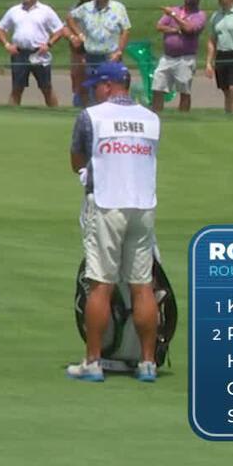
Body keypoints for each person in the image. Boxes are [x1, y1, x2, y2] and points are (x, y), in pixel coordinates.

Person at [66, 61, 161, 383]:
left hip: (107, 203)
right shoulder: (151, 119)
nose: (93, 92)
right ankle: (148, 363)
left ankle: (93, 362)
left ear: (108, 85)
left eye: (95, 86)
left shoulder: (91, 116)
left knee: (101, 284)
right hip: (143, 206)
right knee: (142, 284)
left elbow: (76, 161)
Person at [0, 0, 67, 107]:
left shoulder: (45, 10)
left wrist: (49, 44)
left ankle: (55, 112)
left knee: (46, 87)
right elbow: (0, 28)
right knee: (17, 88)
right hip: (19, 53)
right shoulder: (15, 10)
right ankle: (12, 115)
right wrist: (7, 45)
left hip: (39, 53)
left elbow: (59, 30)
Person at [69, 0, 130, 104]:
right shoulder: (86, 8)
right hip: (91, 56)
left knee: (111, 88)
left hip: (110, 56)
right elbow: (70, 17)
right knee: (91, 89)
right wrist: (79, 34)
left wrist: (119, 51)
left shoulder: (118, 8)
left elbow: (126, 30)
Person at [150, 0, 206, 113]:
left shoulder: (200, 15)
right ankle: (157, 114)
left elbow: (189, 29)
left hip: (185, 58)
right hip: (167, 57)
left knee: (184, 90)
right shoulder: (175, 9)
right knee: (158, 87)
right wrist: (175, 30)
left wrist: (173, 15)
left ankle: (183, 116)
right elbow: (159, 26)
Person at [67, 0, 95, 106]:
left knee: (93, 76)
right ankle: (79, 102)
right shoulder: (74, 8)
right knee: (77, 77)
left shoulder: (97, 7)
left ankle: (94, 102)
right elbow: (65, 28)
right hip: (77, 50)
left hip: (93, 48)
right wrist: (73, 38)